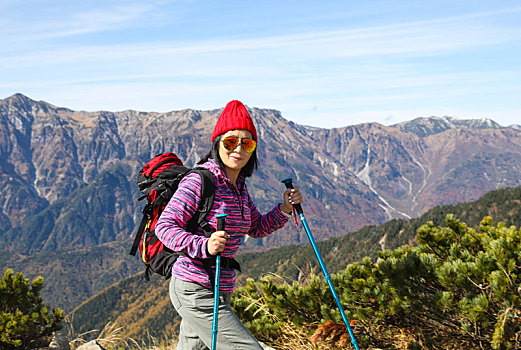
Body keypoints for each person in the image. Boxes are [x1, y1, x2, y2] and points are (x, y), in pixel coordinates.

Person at [155, 100, 303, 349]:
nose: (239, 149)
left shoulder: (238, 187)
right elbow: (165, 226)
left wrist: (285, 209)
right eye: (230, 141)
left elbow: (256, 227)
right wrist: (205, 245)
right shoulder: (200, 181)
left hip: (220, 289)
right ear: (217, 143)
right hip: (194, 286)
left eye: (247, 143)